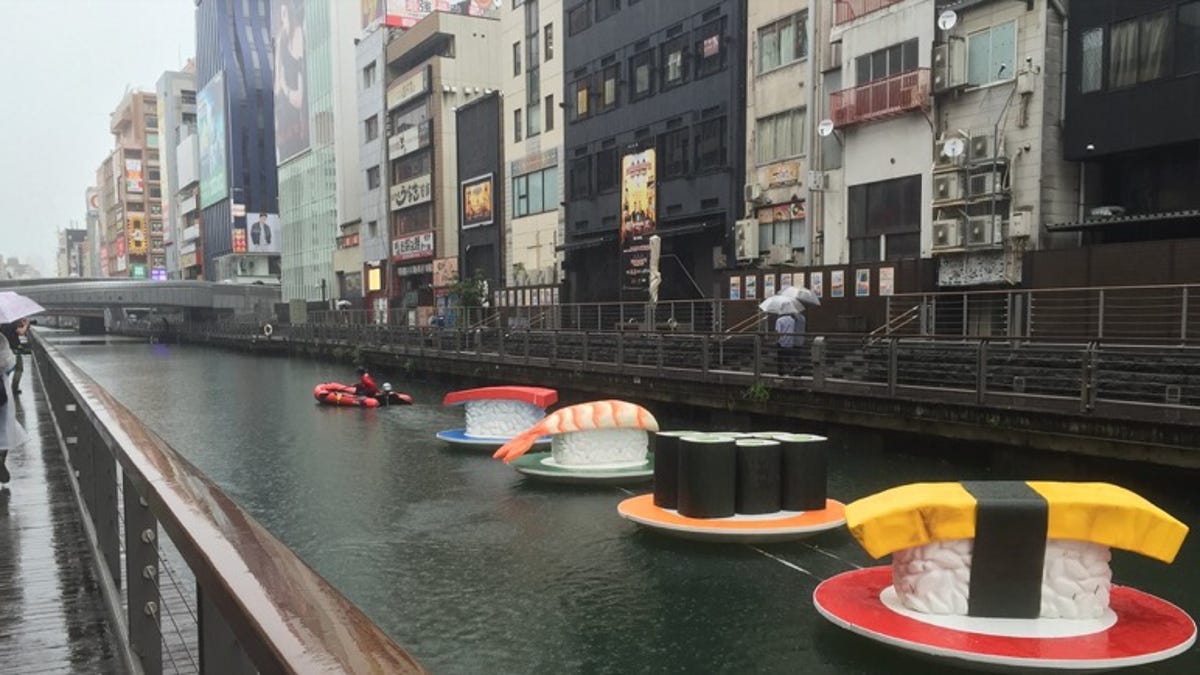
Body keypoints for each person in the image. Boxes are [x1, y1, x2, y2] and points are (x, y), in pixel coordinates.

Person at [1, 321, 31, 485]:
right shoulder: (2, 339)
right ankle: (1, 459)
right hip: (1, 392)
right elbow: (9, 364)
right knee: (5, 428)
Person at [0, 318, 29, 395]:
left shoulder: (2, 326)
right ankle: (14, 388)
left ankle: (3, 387)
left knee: (5, 370)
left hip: (4, 350)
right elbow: (21, 332)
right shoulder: (12, 324)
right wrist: (26, 325)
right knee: (19, 369)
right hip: (14, 350)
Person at [774, 310, 806, 376]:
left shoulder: (779, 320)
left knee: (780, 358)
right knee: (788, 356)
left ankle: (782, 372)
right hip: (790, 341)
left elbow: (778, 332)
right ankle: (795, 368)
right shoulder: (793, 320)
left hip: (781, 342)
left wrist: (776, 340)